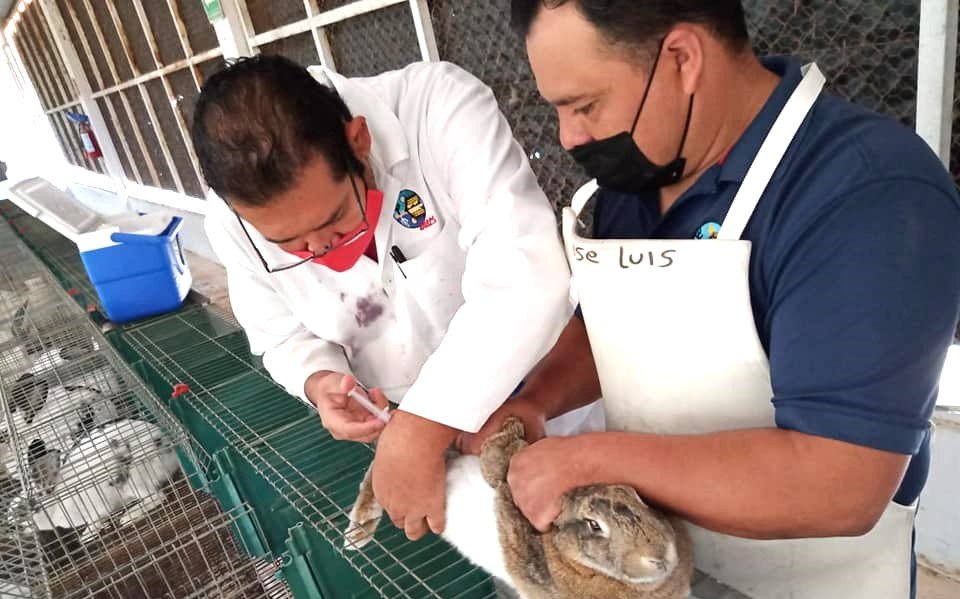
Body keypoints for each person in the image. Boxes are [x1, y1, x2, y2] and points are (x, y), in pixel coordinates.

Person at [461, 2, 960, 598]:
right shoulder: (638, 178)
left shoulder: (869, 195)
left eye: (585, 105)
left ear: (681, 58)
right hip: (657, 571)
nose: (569, 136)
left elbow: (841, 481)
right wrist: (537, 400)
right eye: (558, 109)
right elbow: (610, 329)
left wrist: (589, 461)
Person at [192, 55, 601, 542]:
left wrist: (422, 425)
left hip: (551, 393)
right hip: (417, 435)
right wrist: (318, 379)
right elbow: (280, 335)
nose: (320, 249)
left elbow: (526, 272)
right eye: (289, 242)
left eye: (334, 218)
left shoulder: (436, 106)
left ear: (358, 142)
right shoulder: (232, 220)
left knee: (598, 536)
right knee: (505, 551)